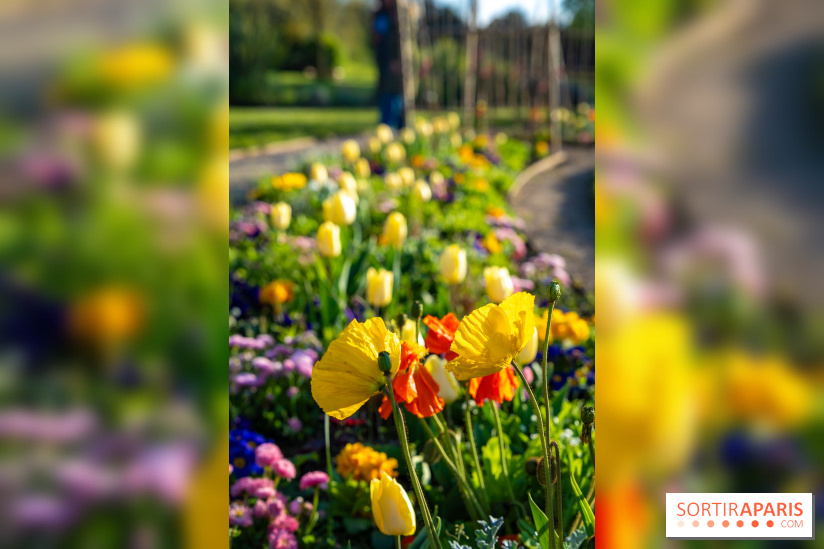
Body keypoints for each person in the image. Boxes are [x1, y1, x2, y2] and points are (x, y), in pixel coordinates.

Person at [372, 0, 405, 129]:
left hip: (401, 71)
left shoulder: (404, 16)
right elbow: (376, 40)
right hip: (386, 69)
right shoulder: (381, 17)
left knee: (401, 110)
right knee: (388, 106)